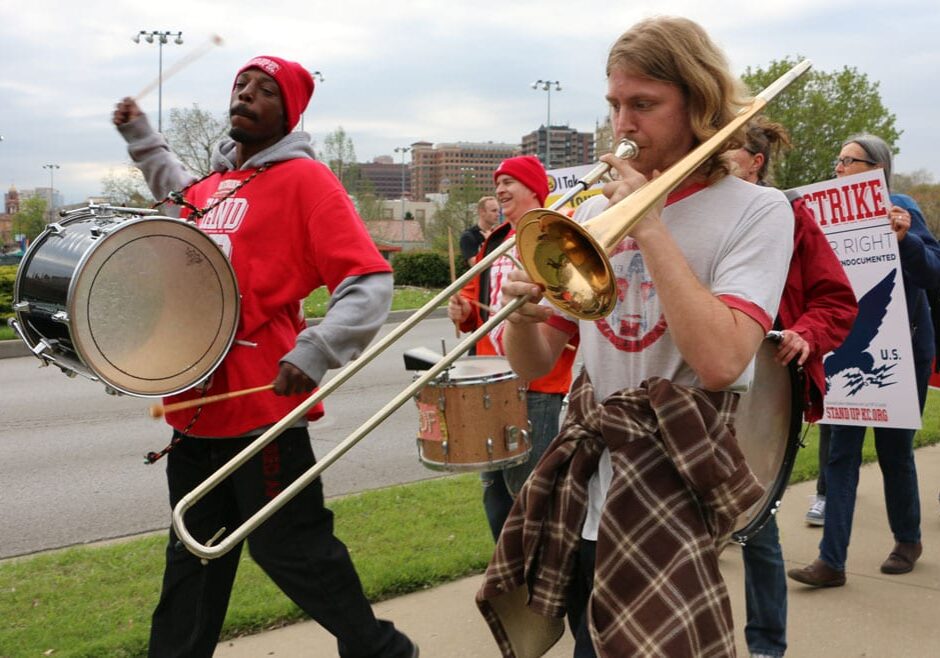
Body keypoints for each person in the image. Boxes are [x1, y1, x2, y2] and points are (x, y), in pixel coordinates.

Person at [475, 17, 795, 657]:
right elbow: (537, 359)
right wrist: (519, 315)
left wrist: (650, 225)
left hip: (673, 484)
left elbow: (722, 361)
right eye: (615, 105)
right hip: (590, 480)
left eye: (644, 105)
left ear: (698, 104)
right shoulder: (594, 211)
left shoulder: (760, 211)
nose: (623, 124)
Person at [113, 55, 418, 657]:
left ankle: (383, 652)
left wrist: (316, 349)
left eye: (264, 90)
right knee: (193, 559)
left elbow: (368, 278)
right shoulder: (214, 186)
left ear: (291, 112)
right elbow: (177, 195)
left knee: (293, 550)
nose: (245, 95)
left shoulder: (306, 181)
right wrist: (142, 138)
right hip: (195, 408)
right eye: (240, 85)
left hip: (265, 413)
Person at [727, 117, 858, 658]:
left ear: (756, 161)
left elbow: (837, 302)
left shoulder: (788, 215)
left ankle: (766, 647)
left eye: (729, 147)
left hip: (763, 393)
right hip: (687, 391)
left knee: (757, 529)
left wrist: (805, 334)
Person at [788, 133, 940, 587]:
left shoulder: (900, 206)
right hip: (843, 348)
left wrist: (906, 238)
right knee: (840, 454)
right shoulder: (823, 211)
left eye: (848, 161)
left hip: (902, 349)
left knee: (894, 452)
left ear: (876, 167)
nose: (838, 167)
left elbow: (932, 271)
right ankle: (831, 561)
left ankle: (907, 539)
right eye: (837, 160)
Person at [447, 155, 576, 541]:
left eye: (510, 182)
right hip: (491, 379)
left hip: (537, 385)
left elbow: (569, 310)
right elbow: (476, 306)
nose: (500, 190)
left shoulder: (556, 235)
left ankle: (541, 576)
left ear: (534, 188)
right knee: (495, 491)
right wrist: (464, 310)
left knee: (531, 491)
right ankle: (508, 576)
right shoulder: (495, 240)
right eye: (498, 182)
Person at [460, 195, 501, 266]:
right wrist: (490, 243)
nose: (498, 214)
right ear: (482, 212)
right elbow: (475, 265)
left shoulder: (499, 234)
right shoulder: (469, 236)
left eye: (498, 211)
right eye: (494, 211)